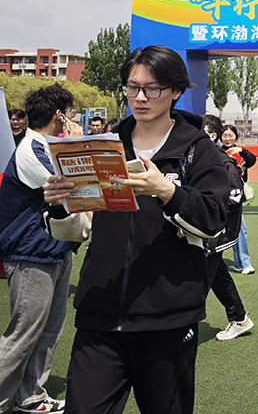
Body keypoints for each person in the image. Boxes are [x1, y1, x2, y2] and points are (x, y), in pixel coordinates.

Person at [42, 45, 229, 413]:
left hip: (168, 318)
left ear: (176, 91)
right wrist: (58, 203)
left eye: (152, 88)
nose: (140, 97)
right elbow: (76, 230)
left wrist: (167, 191)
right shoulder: (103, 147)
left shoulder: (196, 150)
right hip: (100, 312)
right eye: (133, 87)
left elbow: (213, 220)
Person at [0, 84, 82, 414]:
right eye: (70, 113)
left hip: (54, 248)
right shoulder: (31, 149)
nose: (73, 119)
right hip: (30, 251)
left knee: (49, 331)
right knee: (23, 334)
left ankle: (31, 396)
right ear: (58, 115)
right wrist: (77, 143)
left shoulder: (46, 146)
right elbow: (71, 189)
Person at [202, 115, 254, 340]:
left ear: (211, 136)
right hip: (203, 231)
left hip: (215, 232)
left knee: (199, 279)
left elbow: (233, 200)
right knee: (218, 275)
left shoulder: (224, 164)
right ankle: (240, 318)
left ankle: (181, 328)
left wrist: (204, 217)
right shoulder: (202, 158)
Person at [220, 124, 256, 274]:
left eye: (231, 135)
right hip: (219, 196)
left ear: (236, 137)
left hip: (234, 198)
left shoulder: (240, 152)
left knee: (240, 229)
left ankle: (243, 263)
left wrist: (242, 150)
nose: (228, 138)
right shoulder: (217, 152)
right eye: (225, 135)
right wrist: (237, 170)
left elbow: (252, 160)